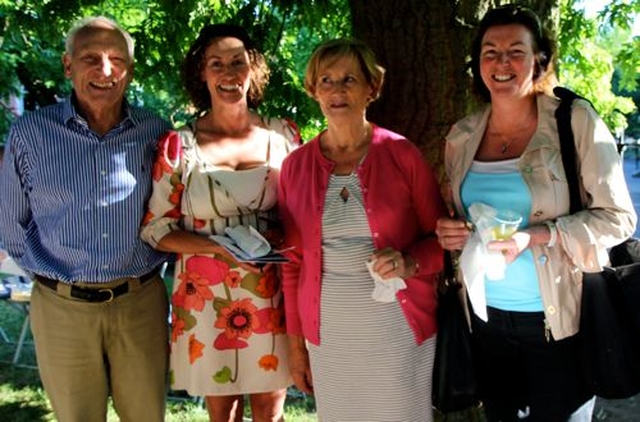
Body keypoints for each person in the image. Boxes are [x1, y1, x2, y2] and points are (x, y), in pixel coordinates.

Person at [435, 4, 637, 422]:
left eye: (516, 51)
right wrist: (451, 232)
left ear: (540, 60)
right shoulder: (462, 135)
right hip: (485, 320)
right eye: (490, 51)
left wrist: (537, 235)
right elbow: (464, 219)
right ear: (477, 63)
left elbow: (619, 218)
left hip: (561, 321)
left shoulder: (574, 119)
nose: (501, 62)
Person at [0, 16, 172, 422]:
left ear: (129, 69)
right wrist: (54, 278)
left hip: (141, 304)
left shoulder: (155, 132)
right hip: (62, 309)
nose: (105, 70)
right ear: (67, 65)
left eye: (117, 59)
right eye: (90, 58)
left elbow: (172, 210)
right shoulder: (31, 133)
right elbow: (11, 224)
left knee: (147, 416)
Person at [278, 38, 446, 421]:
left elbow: (441, 244)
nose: (337, 90)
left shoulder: (402, 154)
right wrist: (297, 345)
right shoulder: (295, 167)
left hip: (397, 332)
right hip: (330, 338)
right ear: (313, 90)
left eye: (350, 79)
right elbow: (291, 264)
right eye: (326, 80)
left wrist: (408, 262)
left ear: (372, 88)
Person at [140, 23, 299, 422]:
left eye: (237, 62)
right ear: (202, 73)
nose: (229, 74)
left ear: (254, 70)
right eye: (217, 64)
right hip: (205, 298)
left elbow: (302, 216)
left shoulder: (283, 136)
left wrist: (276, 235)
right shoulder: (180, 145)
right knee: (222, 413)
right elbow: (156, 230)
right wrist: (218, 246)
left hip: (270, 291)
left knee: (270, 409)